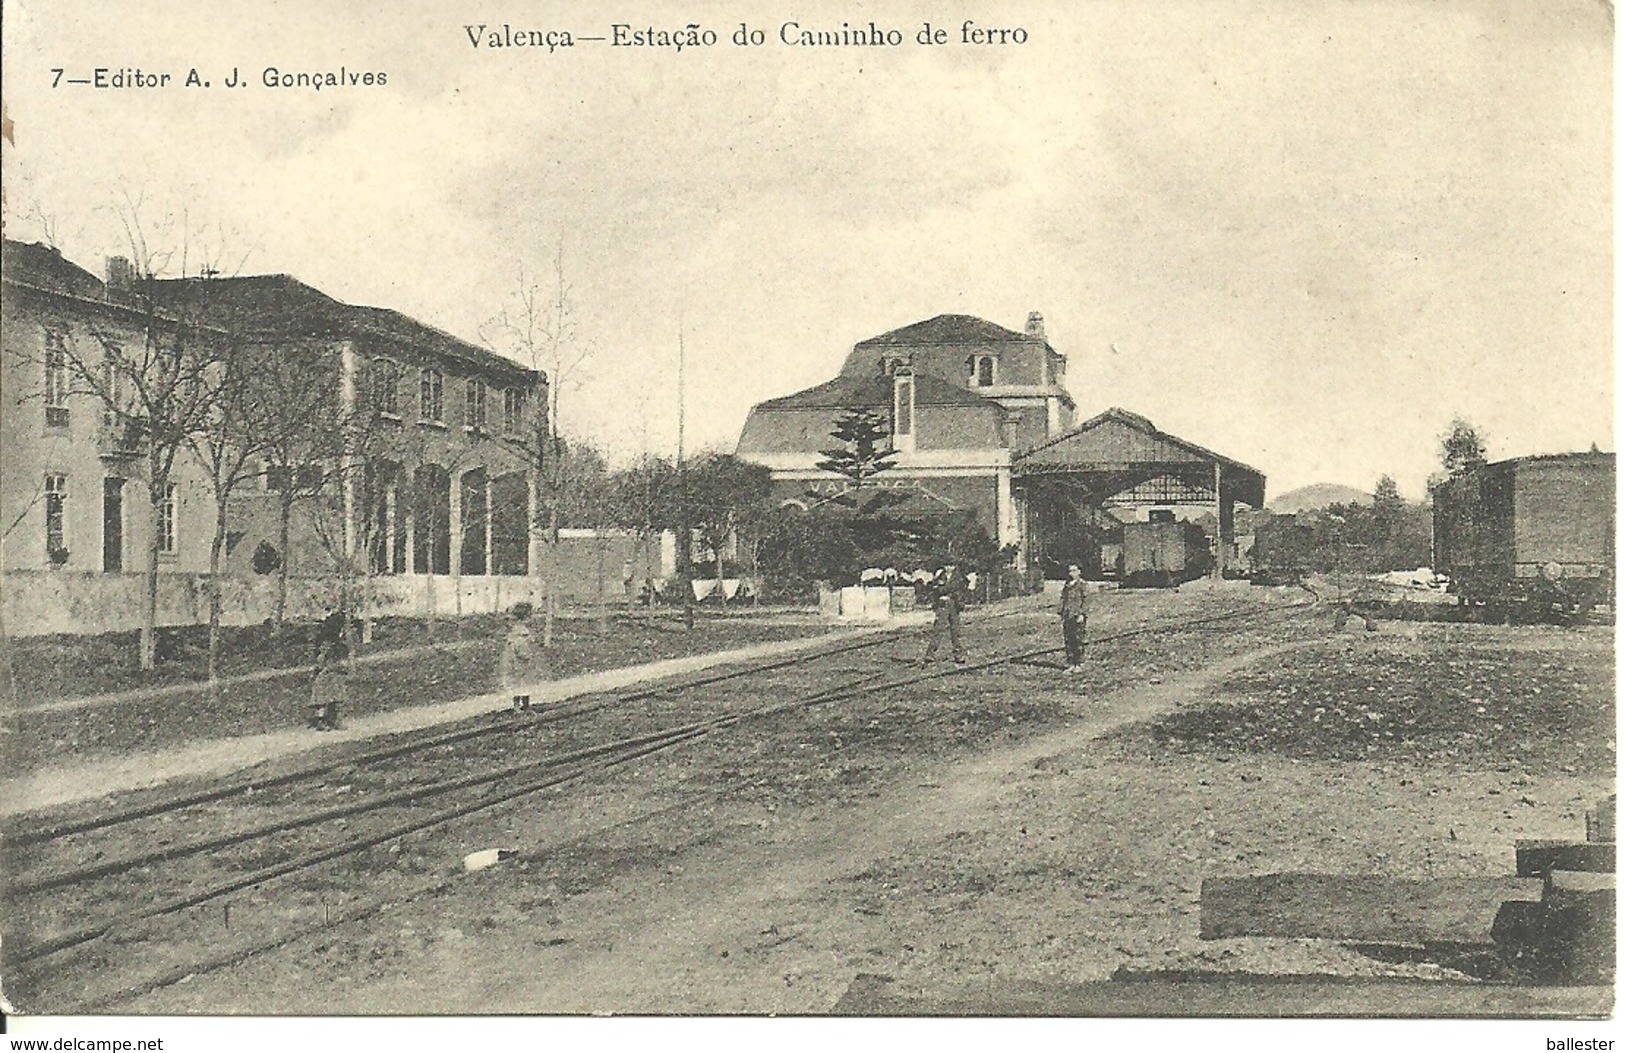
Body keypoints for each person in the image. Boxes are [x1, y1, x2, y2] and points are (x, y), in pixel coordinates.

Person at [919, 563, 967, 666]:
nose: (948, 568)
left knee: (955, 630)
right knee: (938, 628)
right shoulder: (940, 575)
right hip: (943, 605)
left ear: (954, 566)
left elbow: (952, 587)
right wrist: (940, 589)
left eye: (951, 565)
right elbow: (933, 588)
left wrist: (943, 590)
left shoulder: (958, 576)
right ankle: (930, 654)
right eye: (946, 565)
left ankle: (958, 655)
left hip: (954, 604)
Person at [501, 602, 540, 711]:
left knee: (520, 684)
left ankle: (521, 706)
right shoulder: (521, 632)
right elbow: (522, 649)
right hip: (520, 661)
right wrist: (528, 654)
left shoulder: (516, 632)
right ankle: (521, 707)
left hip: (516, 662)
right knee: (522, 684)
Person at [308, 640, 349, 731]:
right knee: (322, 702)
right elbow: (321, 668)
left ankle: (334, 721)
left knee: (333, 701)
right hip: (325, 680)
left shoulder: (332, 658)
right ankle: (322, 722)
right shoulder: (324, 659)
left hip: (330, 680)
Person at [1059, 563, 1090, 674]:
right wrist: (1061, 612)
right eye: (1070, 571)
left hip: (1077, 615)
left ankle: (1079, 663)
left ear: (1079, 572)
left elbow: (1086, 600)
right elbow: (1063, 599)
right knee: (1068, 639)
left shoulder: (1082, 584)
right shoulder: (1067, 585)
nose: (1071, 573)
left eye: (1074, 570)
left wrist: (1082, 614)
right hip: (1068, 615)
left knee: (1078, 639)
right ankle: (1071, 663)